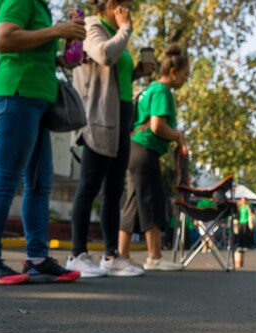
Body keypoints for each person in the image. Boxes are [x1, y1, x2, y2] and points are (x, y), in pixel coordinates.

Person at [0, 0, 86, 285]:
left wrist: (62, 57)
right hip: (16, 95)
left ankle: (37, 259)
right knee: (6, 178)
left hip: (36, 100)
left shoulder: (40, 6)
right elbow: (4, 39)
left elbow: (32, 48)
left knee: (38, 182)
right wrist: (56, 31)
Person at [65, 0, 153, 278]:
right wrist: (125, 29)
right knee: (89, 186)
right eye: (125, 4)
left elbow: (115, 68)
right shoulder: (92, 25)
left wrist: (138, 71)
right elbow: (103, 54)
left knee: (113, 191)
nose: (128, 10)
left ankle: (111, 256)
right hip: (99, 120)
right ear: (112, 4)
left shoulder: (113, 31)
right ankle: (77, 254)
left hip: (120, 120)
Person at [118, 44, 189, 271]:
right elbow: (158, 126)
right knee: (151, 199)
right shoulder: (162, 91)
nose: (186, 79)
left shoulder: (149, 89)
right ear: (173, 72)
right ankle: (155, 256)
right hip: (145, 149)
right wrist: (177, 136)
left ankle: (122, 254)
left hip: (132, 147)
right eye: (185, 74)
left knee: (131, 204)